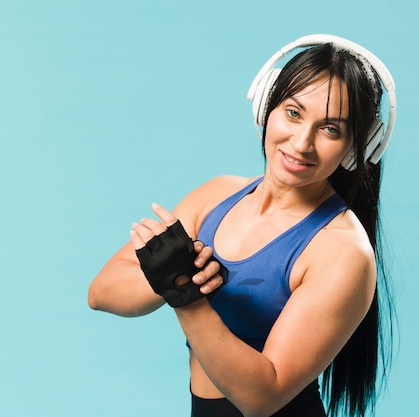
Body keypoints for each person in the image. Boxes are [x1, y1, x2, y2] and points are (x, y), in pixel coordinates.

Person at [87, 34, 396, 417]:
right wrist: (168, 275)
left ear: (359, 145)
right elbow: (101, 292)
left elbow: (261, 397)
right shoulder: (215, 195)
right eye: (294, 113)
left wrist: (186, 293)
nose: (301, 143)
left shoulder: (342, 250)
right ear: (268, 107)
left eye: (330, 129)